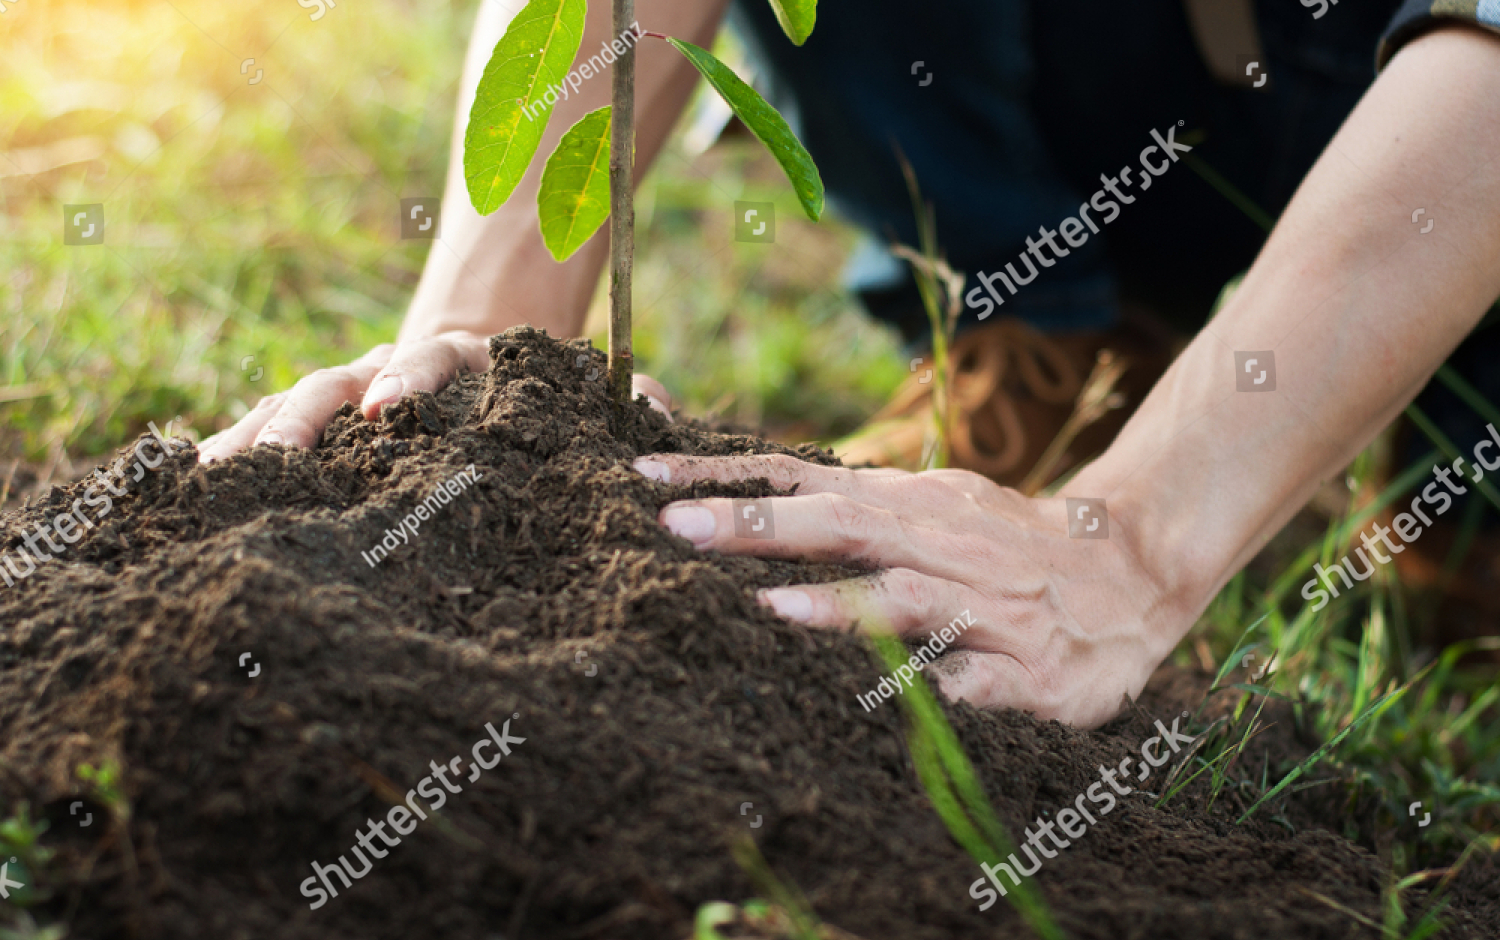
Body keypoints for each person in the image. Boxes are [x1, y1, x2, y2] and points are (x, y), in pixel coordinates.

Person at [198, 0, 1500, 730]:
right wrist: (493, 338)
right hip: (1121, 67)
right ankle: (1047, 328)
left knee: (1466, 580)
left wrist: (1140, 541)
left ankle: (1424, 450)